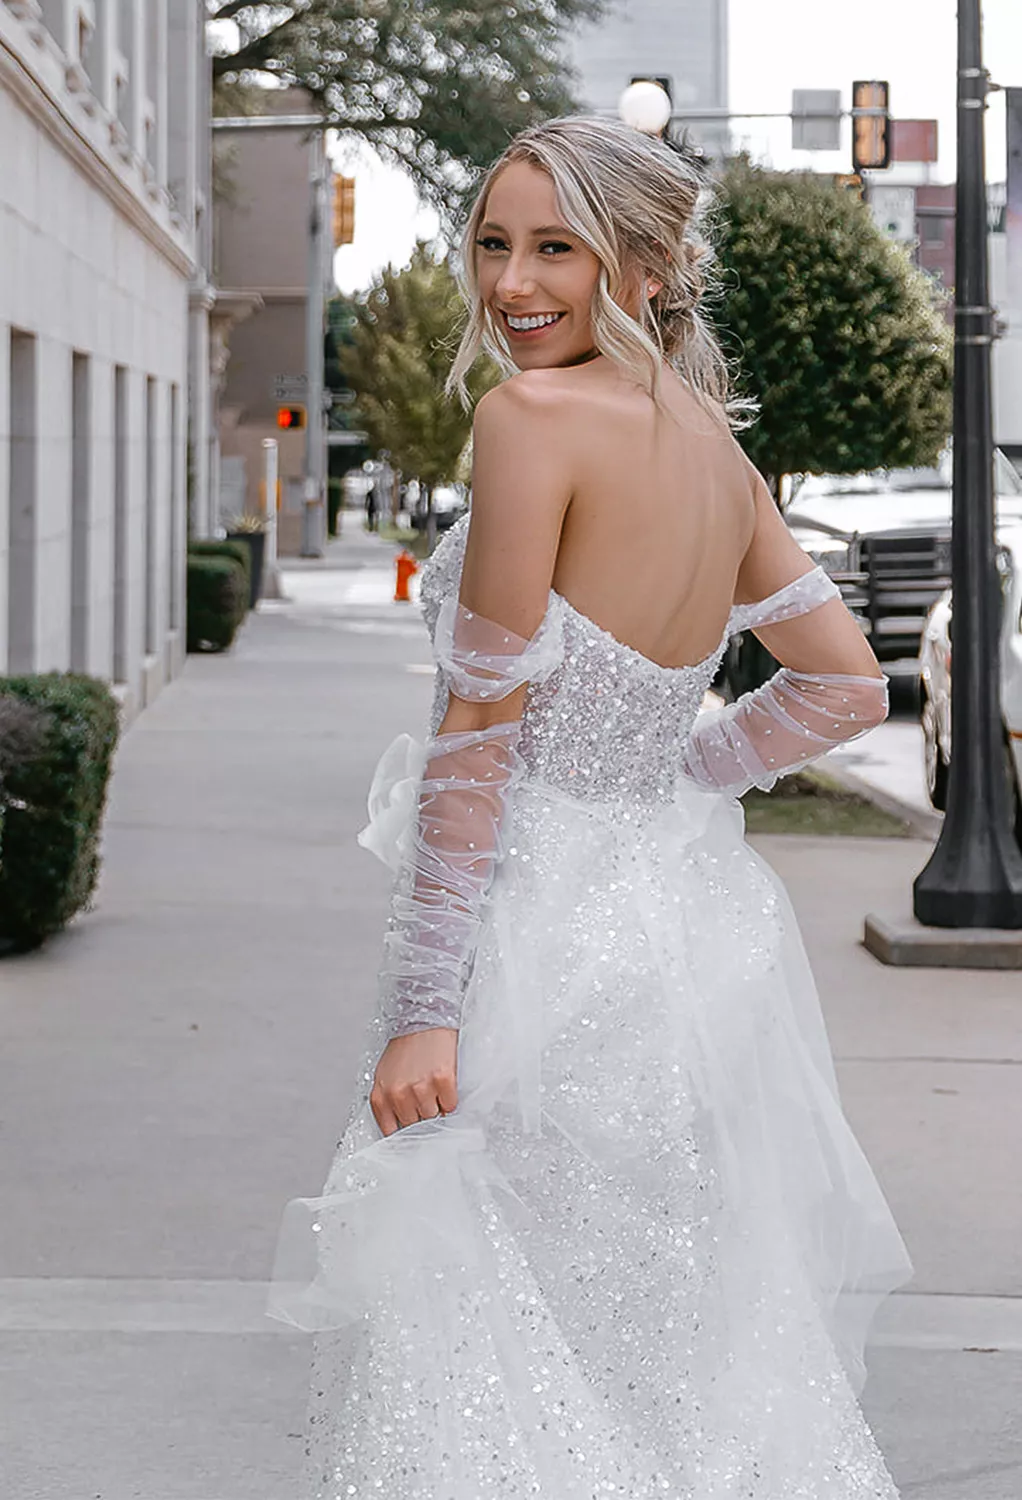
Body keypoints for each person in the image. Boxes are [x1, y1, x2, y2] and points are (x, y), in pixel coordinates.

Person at [270, 116, 912, 1498]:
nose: (511, 284)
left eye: (555, 248)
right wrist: (662, 773)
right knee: (667, 1347)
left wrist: (423, 1009)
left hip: (539, 945)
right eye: (493, 244)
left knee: (504, 1345)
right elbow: (846, 686)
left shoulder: (527, 422)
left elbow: (477, 735)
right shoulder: (711, 448)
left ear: (650, 266)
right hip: (687, 937)